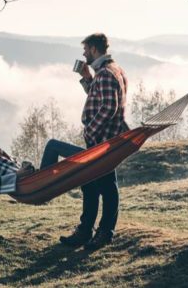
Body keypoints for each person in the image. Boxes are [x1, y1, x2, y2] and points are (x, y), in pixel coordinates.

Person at [48, 33, 129, 251]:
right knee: (90, 184)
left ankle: (104, 233)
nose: (83, 54)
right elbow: (99, 96)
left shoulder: (106, 74)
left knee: (106, 186)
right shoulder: (112, 71)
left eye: (86, 50)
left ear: (94, 49)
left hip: (101, 142)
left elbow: (108, 108)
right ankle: (85, 230)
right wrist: (86, 77)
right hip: (104, 140)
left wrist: (91, 132)